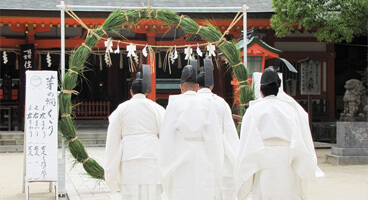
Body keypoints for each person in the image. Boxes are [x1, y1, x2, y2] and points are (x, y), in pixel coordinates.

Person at [235, 68, 324, 200]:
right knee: (287, 191)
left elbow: (246, 145)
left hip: (262, 160)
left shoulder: (253, 110)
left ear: (261, 91)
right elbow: (301, 140)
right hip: (286, 160)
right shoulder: (291, 109)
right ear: (278, 89)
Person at [159, 64, 223, 200]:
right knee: (203, 191)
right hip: (203, 154)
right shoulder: (207, 103)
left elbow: (166, 138)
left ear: (181, 87)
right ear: (197, 87)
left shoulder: (174, 104)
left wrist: (166, 164)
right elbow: (214, 137)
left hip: (180, 156)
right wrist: (217, 163)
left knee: (182, 190)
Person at [104, 67, 165, 200]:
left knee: (130, 193)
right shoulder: (156, 108)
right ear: (146, 92)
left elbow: (112, 140)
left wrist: (110, 169)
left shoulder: (122, 109)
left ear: (131, 92)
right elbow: (165, 135)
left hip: (129, 156)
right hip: (152, 155)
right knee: (152, 193)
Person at [196, 59, 239, 200]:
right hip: (221, 150)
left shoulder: (191, 103)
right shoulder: (221, 103)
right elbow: (230, 133)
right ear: (212, 86)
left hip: (197, 152)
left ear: (196, 86)